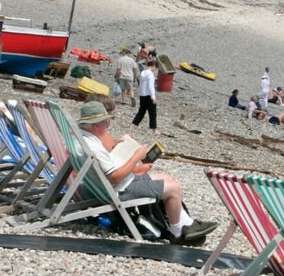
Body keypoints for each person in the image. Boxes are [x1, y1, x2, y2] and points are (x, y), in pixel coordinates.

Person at [74, 101, 213, 244]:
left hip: (109, 186)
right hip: (121, 190)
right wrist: (136, 157)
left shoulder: (84, 140)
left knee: (167, 177)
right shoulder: (94, 148)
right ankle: (178, 234)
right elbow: (115, 177)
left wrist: (121, 146)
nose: (108, 126)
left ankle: (187, 224)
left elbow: (107, 167)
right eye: (106, 123)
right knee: (174, 188)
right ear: (96, 125)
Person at [132, 57, 157, 129]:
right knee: (152, 112)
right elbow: (151, 86)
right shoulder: (150, 75)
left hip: (142, 95)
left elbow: (141, 84)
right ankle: (153, 128)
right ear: (154, 65)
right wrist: (153, 97)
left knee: (141, 111)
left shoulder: (143, 72)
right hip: (149, 95)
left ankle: (134, 124)